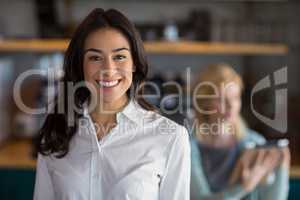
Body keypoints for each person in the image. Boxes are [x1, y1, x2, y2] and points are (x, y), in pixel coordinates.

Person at [33, 8, 190, 200]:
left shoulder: (171, 138)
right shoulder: (55, 133)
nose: (108, 69)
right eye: (95, 58)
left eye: (119, 56)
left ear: (134, 63)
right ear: (80, 65)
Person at [190, 64, 290, 200]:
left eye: (236, 97)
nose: (231, 105)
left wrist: (282, 166)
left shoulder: (255, 142)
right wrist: (245, 187)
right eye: (221, 99)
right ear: (203, 103)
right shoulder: (189, 145)